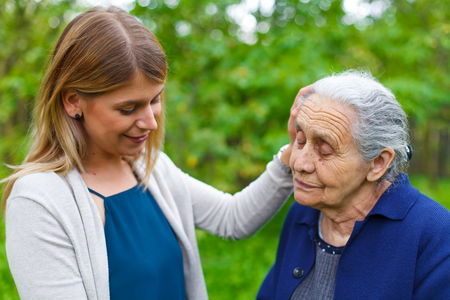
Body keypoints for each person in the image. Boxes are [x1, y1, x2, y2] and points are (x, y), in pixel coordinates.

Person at [2, 6, 302, 300]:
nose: (151, 122)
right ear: (72, 101)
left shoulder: (150, 166)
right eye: (128, 108)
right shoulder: (40, 200)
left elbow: (232, 218)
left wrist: (295, 153)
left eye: (155, 99)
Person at [257, 70, 450, 299]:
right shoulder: (303, 214)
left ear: (378, 163)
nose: (299, 163)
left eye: (325, 150)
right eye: (299, 140)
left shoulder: (434, 236)